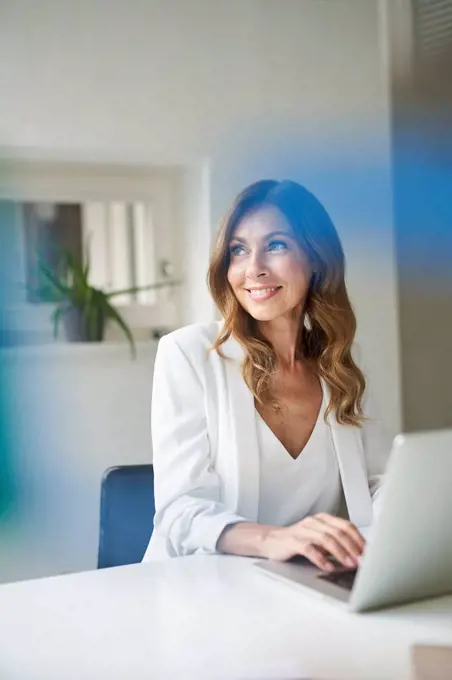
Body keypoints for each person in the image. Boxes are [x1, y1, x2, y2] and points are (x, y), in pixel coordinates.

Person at [143, 179, 389, 570]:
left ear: (317, 260)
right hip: (202, 585)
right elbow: (180, 511)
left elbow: (377, 484)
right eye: (239, 250)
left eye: (276, 245)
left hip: (307, 580)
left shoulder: (342, 363)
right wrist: (275, 539)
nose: (253, 269)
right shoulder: (188, 353)